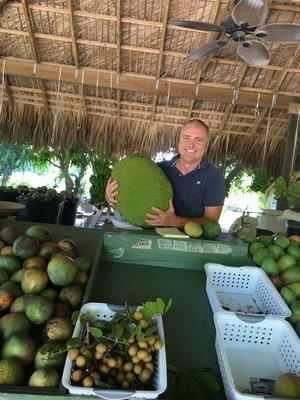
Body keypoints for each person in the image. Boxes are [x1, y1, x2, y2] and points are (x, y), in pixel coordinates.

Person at [105, 119, 226, 228]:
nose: (191, 144)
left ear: (206, 146)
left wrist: (175, 221)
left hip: (193, 244)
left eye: (198, 140)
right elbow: (131, 194)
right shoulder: (159, 169)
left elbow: (212, 222)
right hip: (154, 237)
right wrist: (110, 197)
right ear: (179, 140)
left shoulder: (214, 177)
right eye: (186, 137)